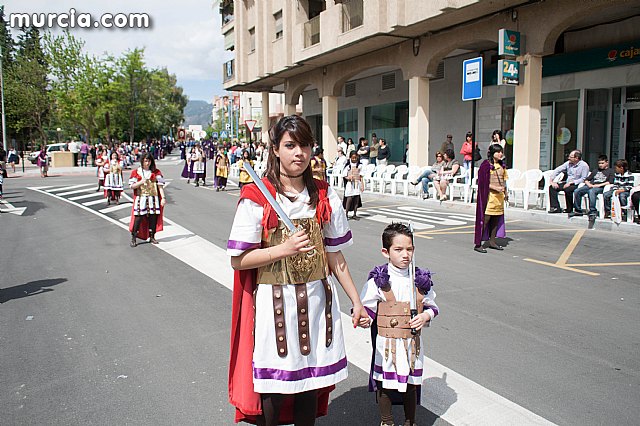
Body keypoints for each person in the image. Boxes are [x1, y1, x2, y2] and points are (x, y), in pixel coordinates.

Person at [226, 115, 369, 426]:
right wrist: (283, 249)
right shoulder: (257, 196)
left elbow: (335, 256)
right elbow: (239, 260)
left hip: (317, 301)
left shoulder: (323, 194)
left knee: (310, 385)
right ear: (275, 149)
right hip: (275, 303)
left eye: (305, 145)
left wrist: (356, 302)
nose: (299, 153)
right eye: (290, 145)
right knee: (275, 386)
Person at [360, 223, 438, 426]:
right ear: (385, 252)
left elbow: (432, 306)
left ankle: (410, 421)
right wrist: (364, 318)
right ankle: (387, 421)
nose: (405, 254)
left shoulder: (420, 279)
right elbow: (368, 308)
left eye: (409, 249)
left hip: (412, 344)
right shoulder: (379, 279)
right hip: (387, 344)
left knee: (411, 383)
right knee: (385, 384)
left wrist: (425, 316)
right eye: (399, 249)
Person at [474, 144, 509, 253]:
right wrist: (495, 188)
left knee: (496, 219)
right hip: (489, 197)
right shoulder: (486, 165)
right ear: (492, 153)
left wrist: (505, 192)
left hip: (499, 198)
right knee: (485, 220)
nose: (500, 154)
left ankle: (492, 241)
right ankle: (478, 243)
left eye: (501, 152)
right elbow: (482, 182)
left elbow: (504, 180)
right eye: (498, 152)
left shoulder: (502, 166)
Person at [128, 153, 165, 247]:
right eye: (145, 161)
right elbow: (132, 186)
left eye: (149, 161)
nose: (147, 163)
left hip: (153, 198)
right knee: (138, 217)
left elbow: (160, 187)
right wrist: (141, 182)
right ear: (142, 161)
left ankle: (152, 236)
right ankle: (134, 237)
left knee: (153, 217)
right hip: (141, 198)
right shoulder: (136, 172)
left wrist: (163, 198)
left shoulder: (156, 172)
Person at [569, 155, 614, 223]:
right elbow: (586, 179)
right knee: (577, 191)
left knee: (591, 191)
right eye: (599, 163)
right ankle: (578, 210)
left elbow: (609, 182)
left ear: (607, 162)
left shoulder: (610, 171)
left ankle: (592, 211)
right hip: (591, 185)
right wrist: (589, 184)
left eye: (602, 163)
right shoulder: (595, 170)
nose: (600, 165)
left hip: (601, 187)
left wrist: (598, 185)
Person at [343, 151, 364, 220]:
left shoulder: (360, 165)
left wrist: (362, 185)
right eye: (353, 158)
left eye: (355, 158)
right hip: (350, 183)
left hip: (357, 183)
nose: (354, 159)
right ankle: (346, 213)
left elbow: (361, 176)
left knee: (356, 198)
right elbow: (344, 175)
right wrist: (348, 178)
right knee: (349, 198)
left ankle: (355, 213)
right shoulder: (348, 166)